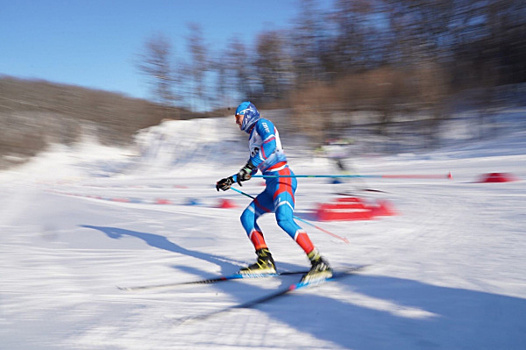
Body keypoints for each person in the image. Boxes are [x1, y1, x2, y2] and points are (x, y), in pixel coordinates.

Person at [216, 101, 332, 282]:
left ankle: (319, 263)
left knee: (284, 220)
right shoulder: (252, 139)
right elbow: (251, 170)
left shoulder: (263, 124)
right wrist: (230, 180)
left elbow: (269, 146)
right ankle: (265, 261)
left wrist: (250, 166)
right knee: (247, 217)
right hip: (271, 185)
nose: (237, 123)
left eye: (238, 118)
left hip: (282, 180)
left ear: (247, 114)